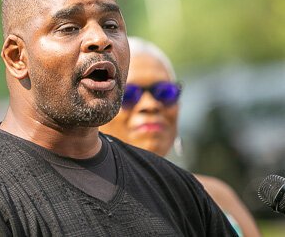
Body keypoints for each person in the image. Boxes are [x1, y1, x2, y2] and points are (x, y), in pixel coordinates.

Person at [0, 0, 235, 236]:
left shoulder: (172, 187)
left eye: (111, 25)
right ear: (17, 56)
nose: (100, 39)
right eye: (69, 28)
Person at [99, 36, 260, 237]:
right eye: (128, 94)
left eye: (164, 93)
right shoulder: (86, 203)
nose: (150, 105)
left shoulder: (217, 195)